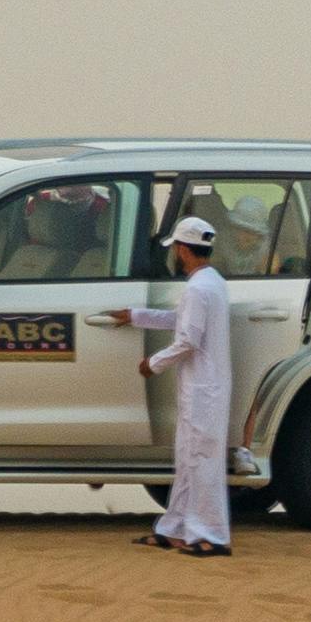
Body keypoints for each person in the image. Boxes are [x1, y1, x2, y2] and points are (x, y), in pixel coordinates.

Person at [124, 214, 239, 556]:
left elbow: (187, 339)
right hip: (203, 387)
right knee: (189, 458)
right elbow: (183, 321)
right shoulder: (212, 283)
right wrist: (134, 315)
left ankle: (213, 536)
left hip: (204, 389)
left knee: (201, 460)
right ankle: (175, 528)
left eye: (175, 247)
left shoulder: (199, 288)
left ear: (183, 250)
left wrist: (152, 364)